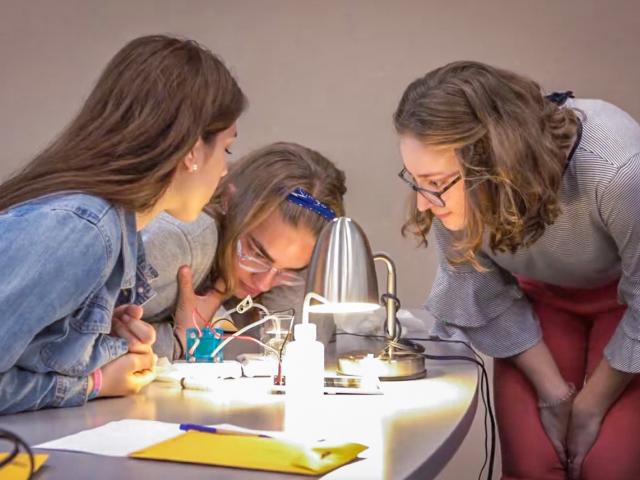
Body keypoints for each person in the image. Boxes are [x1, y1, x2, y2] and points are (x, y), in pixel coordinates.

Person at [393, 61, 640, 479]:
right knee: (532, 462)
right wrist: (555, 394)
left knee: (607, 464)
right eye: (416, 181)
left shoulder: (618, 170)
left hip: (625, 303)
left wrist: (590, 406)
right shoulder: (443, 187)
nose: (422, 203)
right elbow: (477, 283)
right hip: (536, 301)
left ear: (495, 164)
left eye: (433, 183)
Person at [0, 34, 246, 414]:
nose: (226, 168)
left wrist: (94, 342)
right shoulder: (85, 231)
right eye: (226, 148)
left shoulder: (117, 232)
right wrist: (91, 384)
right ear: (193, 151)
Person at [141, 141, 347, 359]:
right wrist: (178, 342)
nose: (263, 284)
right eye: (257, 254)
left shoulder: (285, 273)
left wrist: (303, 275)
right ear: (230, 202)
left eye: (290, 269)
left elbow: (296, 358)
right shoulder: (181, 242)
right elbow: (101, 339)